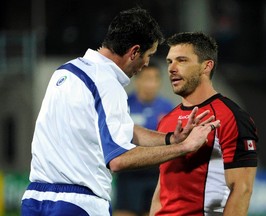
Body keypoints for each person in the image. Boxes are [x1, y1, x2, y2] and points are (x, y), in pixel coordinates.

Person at [20, 8, 220, 216]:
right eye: (148, 55)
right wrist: (185, 147)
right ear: (134, 52)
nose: (146, 64)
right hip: (77, 204)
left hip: (34, 199)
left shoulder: (65, 72)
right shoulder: (107, 84)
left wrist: (171, 139)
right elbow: (119, 159)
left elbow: (121, 129)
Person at [149, 32, 258, 216]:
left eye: (181, 60)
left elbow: (242, 189)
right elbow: (162, 187)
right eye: (169, 62)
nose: (172, 68)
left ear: (206, 66)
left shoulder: (232, 117)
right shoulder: (167, 120)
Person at [114, 63, 174, 216]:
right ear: (138, 80)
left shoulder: (167, 108)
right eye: (147, 78)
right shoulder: (124, 104)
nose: (151, 84)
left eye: (155, 79)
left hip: (156, 174)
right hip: (129, 173)